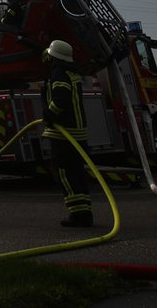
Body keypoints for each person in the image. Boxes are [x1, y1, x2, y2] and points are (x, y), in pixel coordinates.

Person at [42, 39, 94, 228]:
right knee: (77, 174)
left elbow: (61, 100)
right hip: (77, 133)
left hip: (64, 135)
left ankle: (78, 215)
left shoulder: (59, 74)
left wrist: (49, 114)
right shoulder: (72, 73)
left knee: (65, 175)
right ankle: (84, 212)